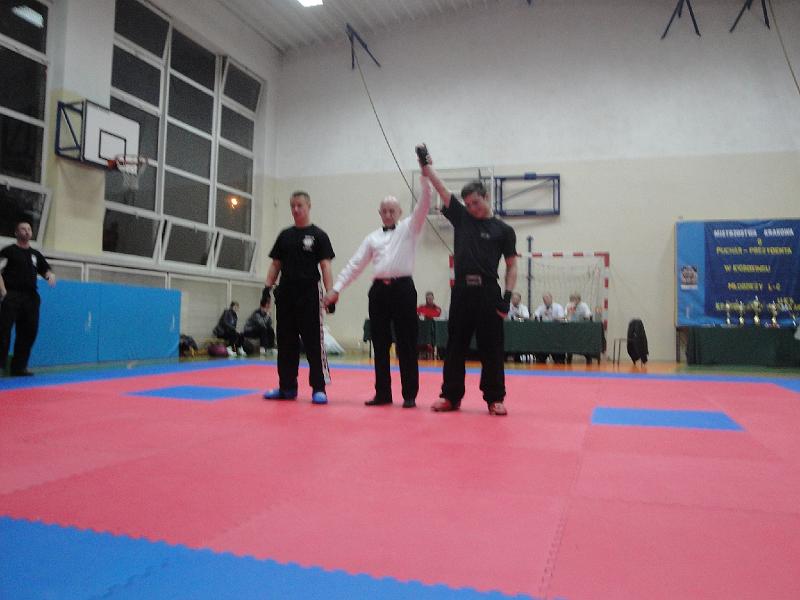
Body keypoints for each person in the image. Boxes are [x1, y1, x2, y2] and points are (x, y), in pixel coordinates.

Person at [420, 146, 517, 417]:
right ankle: (451, 396)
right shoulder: (462, 218)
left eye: (476, 203)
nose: (472, 208)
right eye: (469, 204)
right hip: (462, 290)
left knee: (492, 348)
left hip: (489, 292)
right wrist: (426, 167)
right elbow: (441, 189)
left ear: (486, 197)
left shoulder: (504, 230)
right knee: (455, 345)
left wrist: (507, 298)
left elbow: (512, 266)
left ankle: (494, 398)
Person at [324, 171, 432, 409]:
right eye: (384, 210)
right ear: (380, 213)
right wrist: (336, 289)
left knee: (406, 344)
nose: (388, 214)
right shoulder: (372, 238)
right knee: (380, 344)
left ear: (400, 212)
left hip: (403, 289)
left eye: (392, 210)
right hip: (379, 292)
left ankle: (409, 395)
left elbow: (425, 203)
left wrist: (425, 176)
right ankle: (383, 393)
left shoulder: (410, 227)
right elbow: (355, 265)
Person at [262, 191, 335, 405]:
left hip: (309, 293)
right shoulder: (285, 235)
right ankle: (287, 387)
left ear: (308, 206)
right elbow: (275, 264)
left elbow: (326, 266)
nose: (295, 209)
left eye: (299, 205)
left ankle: (319, 388)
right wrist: (266, 289)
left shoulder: (318, 235)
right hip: (286, 293)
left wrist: (330, 293)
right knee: (286, 342)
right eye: (292, 206)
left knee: (313, 342)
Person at [0, 221, 56, 376]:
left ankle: (19, 367)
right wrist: (3, 290)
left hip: (30, 297)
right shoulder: (9, 251)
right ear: (16, 233)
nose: (26, 231)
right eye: (23, 229)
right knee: (3, 331)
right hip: (11, 294)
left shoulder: (35, 254)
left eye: (29, 229)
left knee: (29, 332)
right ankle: (1, 365)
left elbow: (45, 269)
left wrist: (49, 275)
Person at [533, 292, 566, 364]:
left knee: (559, 357)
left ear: (551, 298)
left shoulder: (558, 307)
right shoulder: (541, 307)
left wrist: (552, 317)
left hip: (556, 333)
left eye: (547, 299)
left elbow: (562, 318)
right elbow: (535, 316)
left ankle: (558, 358)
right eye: (544, 299)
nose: (546, 301)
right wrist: (538, 317)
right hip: (544, 333)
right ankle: (541, 357)